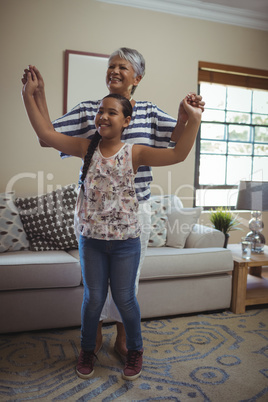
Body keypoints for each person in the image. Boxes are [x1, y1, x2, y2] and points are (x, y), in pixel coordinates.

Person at [22, 47, 205, 360]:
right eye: (110, 66)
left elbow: (175, 142)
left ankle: (124, 339)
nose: (114, 71)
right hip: (93, 222)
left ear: (137, 77)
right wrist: (35, 95)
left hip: (134, 215)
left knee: (126, 286)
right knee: (94, 291)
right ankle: (91, 336)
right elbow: (47, 135)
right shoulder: (90, 114)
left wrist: (187, 115)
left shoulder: (145, 117)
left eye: (122, 67)